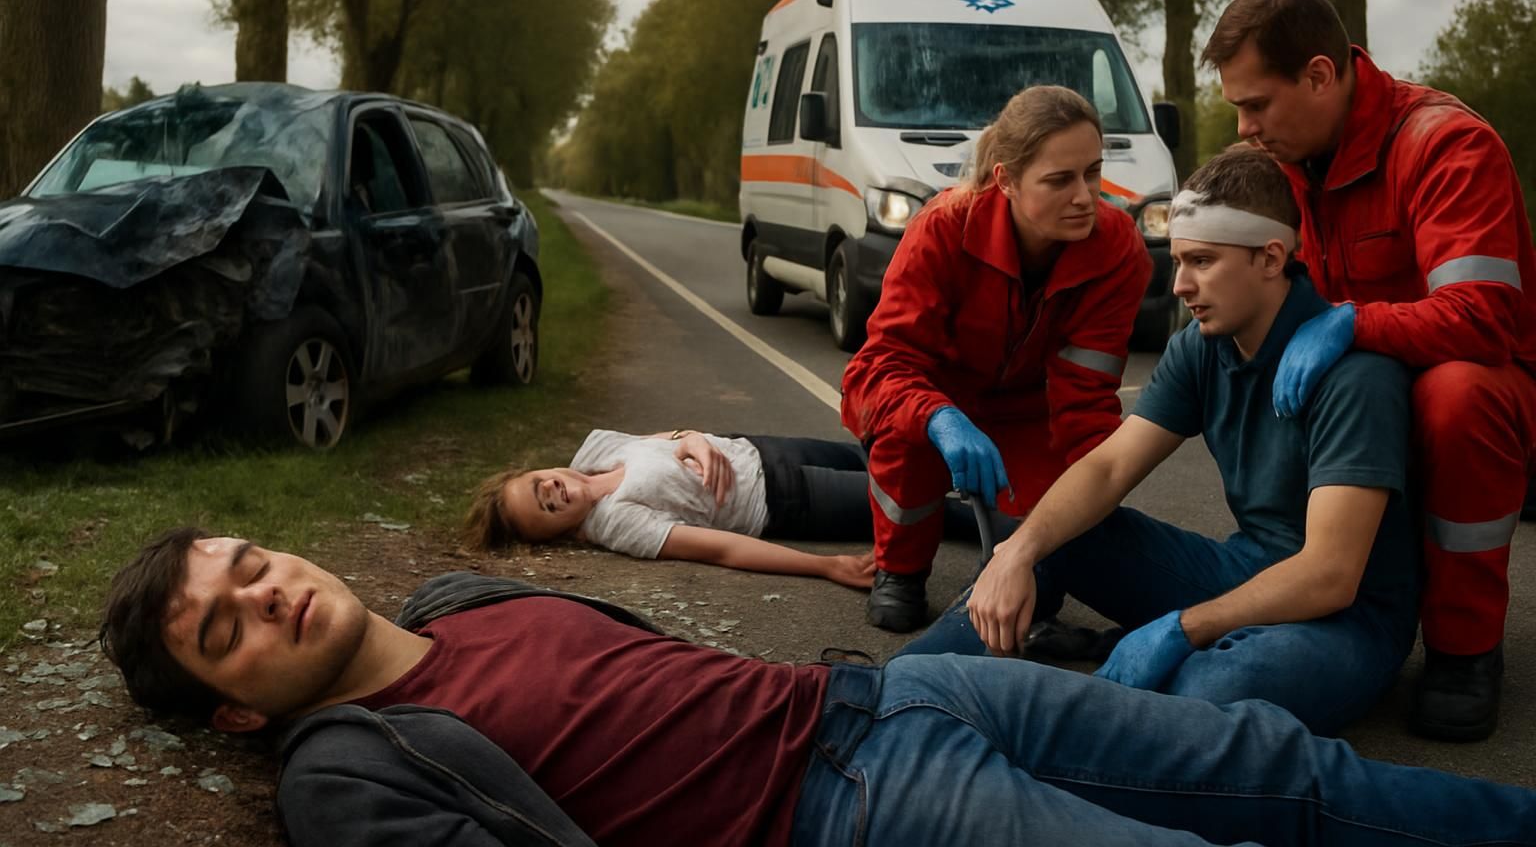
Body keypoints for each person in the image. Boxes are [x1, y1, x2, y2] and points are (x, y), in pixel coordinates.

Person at [98, 528, 1536, 847]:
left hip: (902, 700)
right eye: (226, 630)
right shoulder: (340, 770)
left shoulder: (459, 596)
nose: (264, 592)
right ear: (238, 708)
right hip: (848, 812)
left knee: (1290, 772)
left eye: (246, 563)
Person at [899, 146, 1420, 736]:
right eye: (1177, 261)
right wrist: (1014, 555)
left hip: (1344, 619)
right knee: (1055, 534)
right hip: (1246, 571)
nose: (1179, 285)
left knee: (1204, 693)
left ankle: (1045, 729)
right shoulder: (1203, 344)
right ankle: (892, 688)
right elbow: (1109, 468)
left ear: (1271, 258)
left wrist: (1183, 628)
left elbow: (1329, 575)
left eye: (1201, 261)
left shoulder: (1357, 377)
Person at [1202, 0, 1536, 741]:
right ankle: (1304, 583)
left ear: (1320, 75)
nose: (1245, 128)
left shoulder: (1448, 146)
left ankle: (1464, 647)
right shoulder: (1281, 159)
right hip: (1368, 380)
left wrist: (1349, 324)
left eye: (1257, 104)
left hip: (1474, 381)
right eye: (1237, 108)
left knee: (1456, 401)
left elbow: (1485, 319)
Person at [841, 85, 1152, 631]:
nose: (1085, 197)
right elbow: (879, 367)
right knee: (906, 439)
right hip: (937, 406)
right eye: (1060, 180)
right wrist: (938, 417)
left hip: (1032, 416)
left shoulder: (1118, 246)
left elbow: (1087, 398)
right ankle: (900, 570)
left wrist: (1090, 497)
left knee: (1047, 563)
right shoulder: (944, 227)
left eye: (1093, 173)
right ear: (1006, 179)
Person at [465, 429, 992, 589]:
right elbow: (721, 548)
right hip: (788, 500)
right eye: (546, 509)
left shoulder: (593, 450)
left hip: (765, 449)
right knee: (927, 506)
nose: (553, 492)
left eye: (540, 484)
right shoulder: (615, 523)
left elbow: (671, 436)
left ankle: (1013, 480)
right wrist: (825, 566)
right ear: (561, 532)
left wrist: (692, 439)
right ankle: (1021, 539)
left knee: (889, 454)